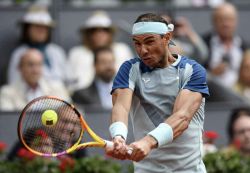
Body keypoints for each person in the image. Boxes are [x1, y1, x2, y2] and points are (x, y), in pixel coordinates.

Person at [106, 13, 209, 173]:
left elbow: (182, 118)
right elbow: (121, 107)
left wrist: (148, 142)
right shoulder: (129, 69)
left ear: (167, 37)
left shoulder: (192, 70)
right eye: (137, 44)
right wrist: (118, 136)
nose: (143, 50)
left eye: (149, 42)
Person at [67, 10, 133, 92]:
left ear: (110, 33)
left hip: (117, 99)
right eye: (94, 30)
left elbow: (131, 81)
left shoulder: (122, 50)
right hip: (83, 101)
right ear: (88, 34)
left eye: (104, 30)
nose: (99, 34)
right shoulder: (76, 54)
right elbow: (70, 84)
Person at [8, 6, 68, 85]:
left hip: (58, 95)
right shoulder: (19, 53)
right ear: (27, 29)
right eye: (36, 26)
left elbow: (67, 79)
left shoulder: (57, 51)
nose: (41, 30)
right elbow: (14, 84)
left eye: (45, 27)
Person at [0, 49, 71, 111]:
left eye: (39, 65)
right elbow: (8, 121)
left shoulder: (58, 88)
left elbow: (69, 114)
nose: (35, 70)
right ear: (20, 68)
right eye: (30, 65)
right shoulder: (7, 92)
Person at [203, 2, 249, 88]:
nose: (226, 24)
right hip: (212, 95)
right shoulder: (204, 44)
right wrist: (211, 75)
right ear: (214, 21)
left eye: (230, 20)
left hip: (241, 96)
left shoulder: (245, 46)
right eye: (221, 20)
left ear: (236, 21)